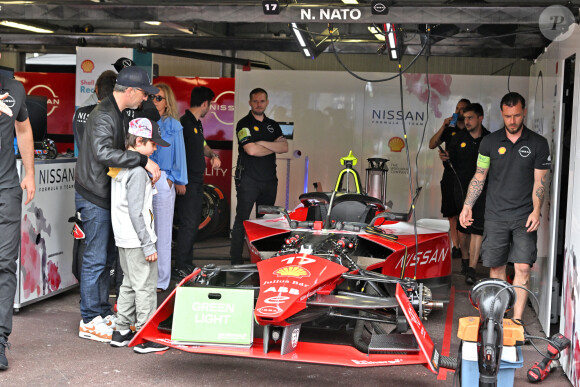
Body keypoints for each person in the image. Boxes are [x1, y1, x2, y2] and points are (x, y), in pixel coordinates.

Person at [75, 65, 160, 343]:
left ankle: (100, 311)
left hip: (101, 194)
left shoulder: (116, 112)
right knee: (95, 259)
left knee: (106, 259)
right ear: (132, 90)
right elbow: (102, 153)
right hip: (92, 195)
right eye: (144, 93)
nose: (145, 98)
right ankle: (89, 319)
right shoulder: (103, 114)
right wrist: (141, 159)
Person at [459, 92, 550, 321]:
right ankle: (496, 322)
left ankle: (517, 322)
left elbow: (540, 182)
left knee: (523, 269)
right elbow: (479, 176)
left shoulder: (538, 143)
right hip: (496, 215)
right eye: (508, 116)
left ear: (524, 112)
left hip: (524, 216)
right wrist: (467, 205)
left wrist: (536, 210)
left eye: (517, 115)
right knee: (496, 269)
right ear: (502, 113)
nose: (512, 121)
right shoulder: (489, 142)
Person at [108, 117, 170, 354]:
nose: (155, 149)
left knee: (130, 284)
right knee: (145, 286)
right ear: (140, 140)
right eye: (152, 144)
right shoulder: (136, 171)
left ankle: (121, 331)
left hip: (124, 237)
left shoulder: (122, 165)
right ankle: (146, 335)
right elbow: (137, 212)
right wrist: (148, 244)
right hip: (137, 239)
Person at [0, 61, 36, 370]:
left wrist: (30, 171)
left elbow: (23, 129)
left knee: (4, 264)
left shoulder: (14, 88)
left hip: (5, 188)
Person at [230, 88, 288, 265]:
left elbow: (284, 147)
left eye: (262, 101)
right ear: (250, 102)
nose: (258, 104)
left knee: (266, 222)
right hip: (248, 180)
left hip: (269, 181)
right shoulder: (243, 124)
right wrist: (271, 146)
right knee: (242, 219)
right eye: (255, 101)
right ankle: (236, 259)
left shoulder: (273, 125)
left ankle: (263, 259)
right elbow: (251, 150)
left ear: (267, 102)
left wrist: (261, 143)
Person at [173, 86, 221, 279]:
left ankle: (187, 262)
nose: (209, 107)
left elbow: (201, 145)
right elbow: (176, 153)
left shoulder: (196, 124)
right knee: (188, 224)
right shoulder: (183, 124)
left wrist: (213, 155)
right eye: (209, 104)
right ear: (204, 103)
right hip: (187, 182)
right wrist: (179, 180)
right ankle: (180, 266)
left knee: (192, 224)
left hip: (196, 180)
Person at [445, 103, 489, 285]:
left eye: (470, 117)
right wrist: (445, 158)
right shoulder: (457, 138)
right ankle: (464, 260)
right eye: (465, 118)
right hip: (460, 189)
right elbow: (450, 163)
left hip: (483, 190)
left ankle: (472, 268)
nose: (467, 121)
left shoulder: (489, 139)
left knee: (477, 229)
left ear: (480, 118)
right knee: (463, 229)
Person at [150, 83, 187, 290]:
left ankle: (161, 281)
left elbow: (179, 154)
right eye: (152, 97)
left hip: (163, 179)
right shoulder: (143, 123)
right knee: (143, 232)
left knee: (162, 233)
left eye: (159, 98)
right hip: (143, 177)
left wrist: (173, 178)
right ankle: (143, 279)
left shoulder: (173, 125)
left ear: (167, 102)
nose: (155, 102)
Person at [429, 98, 471, 259]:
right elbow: (432, 144)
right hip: (449, 176)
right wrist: (443, 126)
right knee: (451, 213)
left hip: (467, 177)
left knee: (465, 213)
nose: (459, 111)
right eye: (457, 108)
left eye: (463, 109)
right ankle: (456, 246)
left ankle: (466, 248)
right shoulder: (450, 127)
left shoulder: (471, 129)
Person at [73, 70, 117, 155]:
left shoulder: (79, 112)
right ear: (116, 92)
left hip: (83, 166)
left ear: (96, 89)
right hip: (107, 167)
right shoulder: (116, 115)